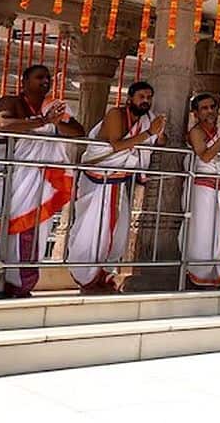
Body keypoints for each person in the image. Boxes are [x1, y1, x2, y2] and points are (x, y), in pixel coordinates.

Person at [0, 65, 86, 298]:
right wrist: (41, 121)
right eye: (39, 77)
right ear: (24, 80)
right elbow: (2, 123)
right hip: (13, 180)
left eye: (47, 78)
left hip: (38, 182)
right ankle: (1, 281)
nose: (45, 82)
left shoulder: (53, 107)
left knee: (35, 233)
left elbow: (78, 131)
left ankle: (22, 283)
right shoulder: (10, 102)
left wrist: (54, 121)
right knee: (6, 229)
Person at [66, 81, 166, 293]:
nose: (146, 101)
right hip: (98, 179)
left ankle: (104, 275)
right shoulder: (116, 114)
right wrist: (149, 134)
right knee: (93, 229)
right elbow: (117, 145)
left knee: (117, 230)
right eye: (141, 96)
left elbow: (158, 143)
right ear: (130, 99)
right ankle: (86, 278)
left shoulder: (147, 120)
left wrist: (158, 132)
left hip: (119, 181)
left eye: (149, 97)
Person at [184, 93, 220, 288]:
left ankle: (218, 275)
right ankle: (199, 274)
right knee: (203, 231)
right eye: (204, 108)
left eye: (212, 107)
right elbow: (205, 157)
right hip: (204, 188)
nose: (209, 111)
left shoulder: (218, 131)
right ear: (196, 113)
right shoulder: (196, 132)